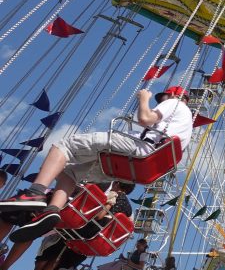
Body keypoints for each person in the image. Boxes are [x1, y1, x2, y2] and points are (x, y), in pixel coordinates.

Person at [0, 87, 192, 242]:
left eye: (163, 98)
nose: (161, 102)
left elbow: (145, 119)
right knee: (69, 174)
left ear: (174, 95)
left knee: (62, 146)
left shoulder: (174, 103)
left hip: (137, 149)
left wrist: (144, 98)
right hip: (138, 166)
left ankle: (35, 193)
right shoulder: (187, 125)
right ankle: (51, 211)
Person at [4, 181, 132, 270]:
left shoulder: (114, 195)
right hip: (99, 240)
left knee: (51, 243)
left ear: (116, 184)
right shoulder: (130, 210)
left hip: (88, 229)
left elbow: (100, 216)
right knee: (60, 249)